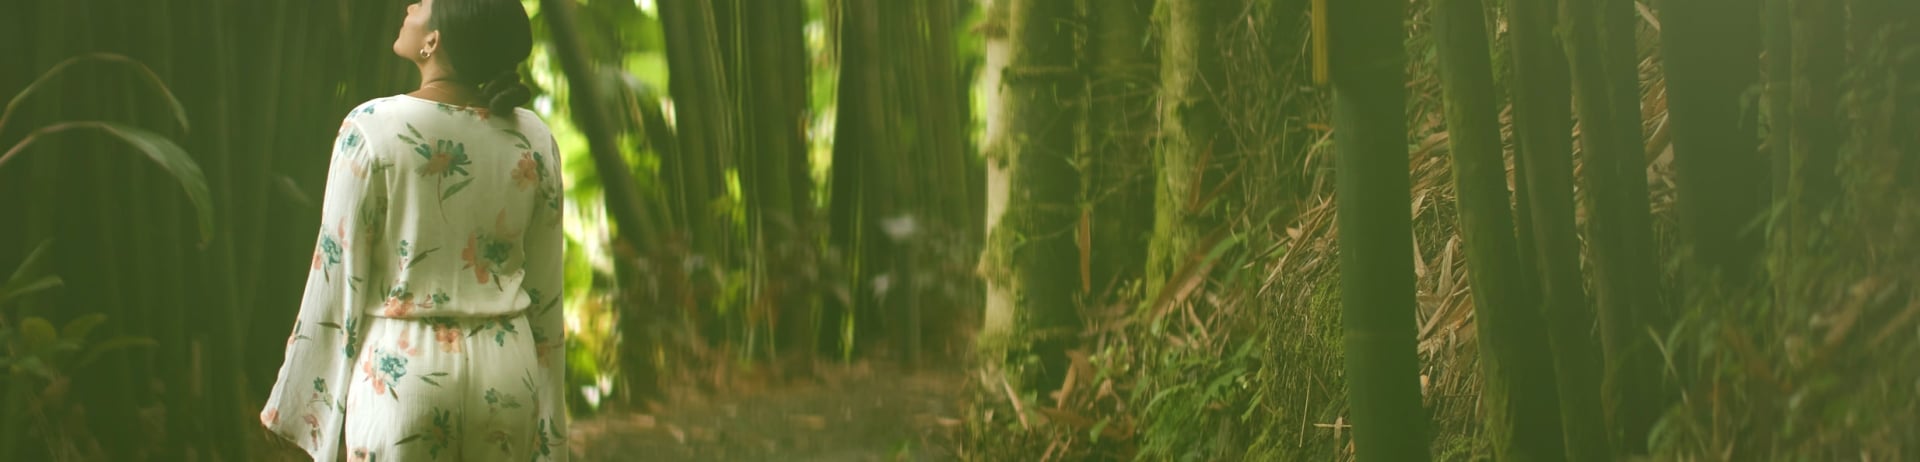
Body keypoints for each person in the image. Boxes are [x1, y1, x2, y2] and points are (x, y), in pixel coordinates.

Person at [259, 0, 565, 460]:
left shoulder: (371, 127)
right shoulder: (534, 137)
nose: (410, 5)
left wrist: (300, 404)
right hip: (506, 371)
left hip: (401, 372)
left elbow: (336, 271)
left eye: (424, 2)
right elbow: (545, 289)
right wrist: (552, 425)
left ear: (433, 41)